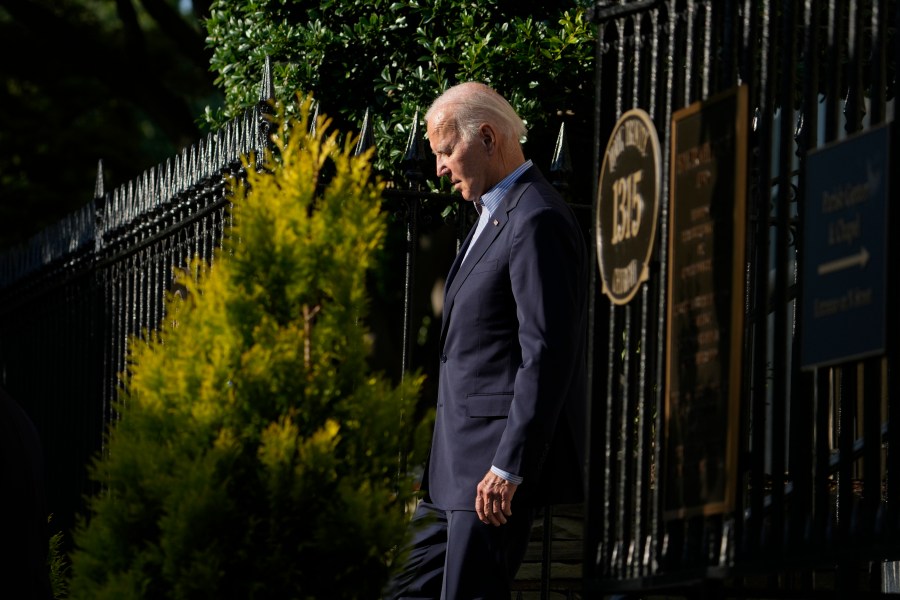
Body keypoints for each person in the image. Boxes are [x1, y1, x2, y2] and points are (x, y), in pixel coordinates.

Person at [386, 82, 588, 599]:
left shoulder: (536, 217)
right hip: (448, 474)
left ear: (489, 138)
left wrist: (508, 465)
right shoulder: (491, 214)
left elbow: (547, 351)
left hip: (488, 477)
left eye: (446, 151)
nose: (439, 169)